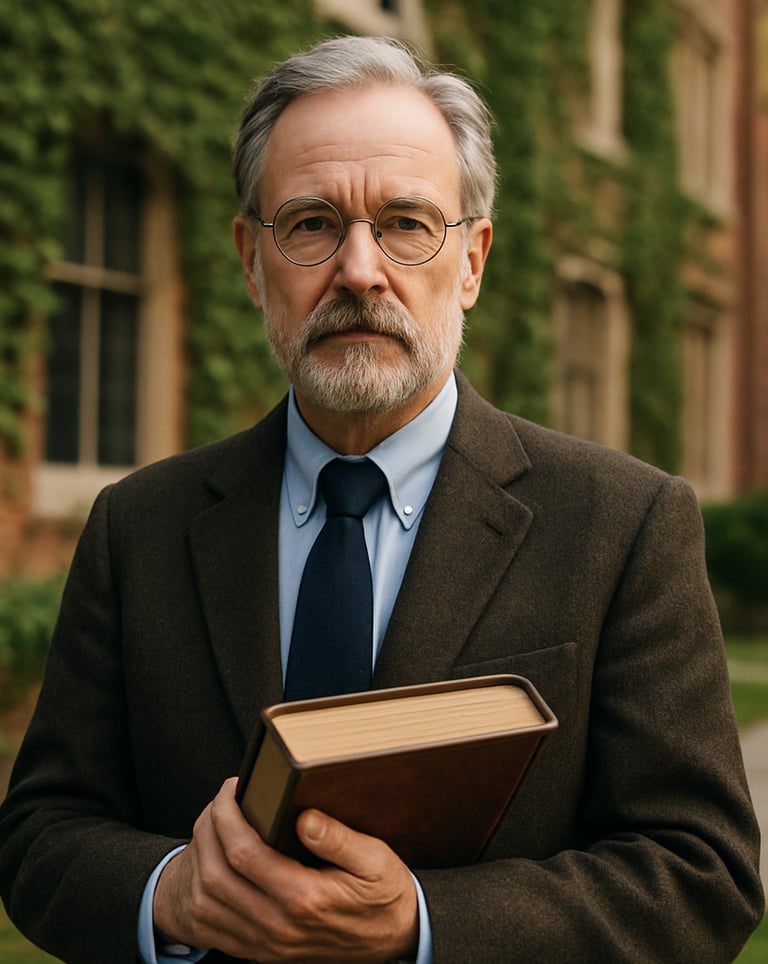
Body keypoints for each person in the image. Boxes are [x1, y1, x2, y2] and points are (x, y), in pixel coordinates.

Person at [0, 34, 763, 964]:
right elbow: (40, 833)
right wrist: (174, 895)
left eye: (406, 223)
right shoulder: (139, 526)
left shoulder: (624, 524)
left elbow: (703, 873)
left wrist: (422, 927)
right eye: (312, 224)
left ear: (472, 261)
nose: (359, 270)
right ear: (252, 260)